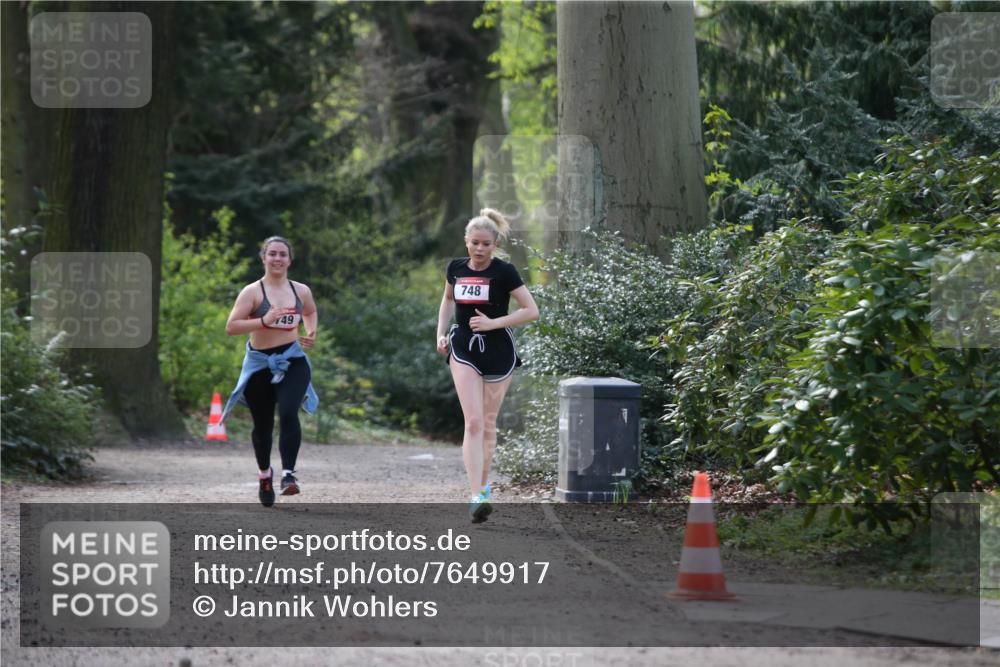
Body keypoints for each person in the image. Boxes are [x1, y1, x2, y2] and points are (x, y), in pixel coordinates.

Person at [436, 209, 539, 522]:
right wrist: (440, 333)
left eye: (486, 244)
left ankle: (483, 487)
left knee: (489, 424)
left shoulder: (505, 272)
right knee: (474, 422)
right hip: (464, 347)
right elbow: (448, 300)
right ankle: (476, 494)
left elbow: (531, 311)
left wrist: (495, 322)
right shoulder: (455, 268)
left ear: (494, 245)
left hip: (498, 350)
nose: (480, 249)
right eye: (475, 243)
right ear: (466, 242)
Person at [222, 236, 319, 507]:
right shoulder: (252, 292)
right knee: (262, 425)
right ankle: (265, 474)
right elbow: (231, 326)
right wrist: (263, 320)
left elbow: (310, 312)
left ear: (290, 260)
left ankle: (289, 475)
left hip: (292, 360)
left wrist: (311, 331)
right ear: (263, 258)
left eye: (282, 254)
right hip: (260, 365)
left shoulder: (301, 291)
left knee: (288, 412)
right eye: (272, 254)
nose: (277, 259)